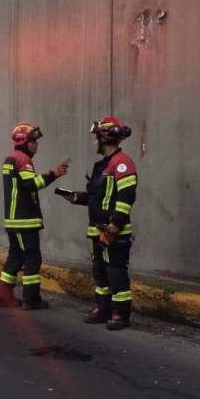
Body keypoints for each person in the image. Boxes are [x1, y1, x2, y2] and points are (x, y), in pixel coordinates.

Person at [61, 116, 137, 330]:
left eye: (96, 138)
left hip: (114, 231)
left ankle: (120, 315)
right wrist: (79, 198)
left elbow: (126, 196)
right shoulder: (103, 166)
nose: (95, 142)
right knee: (100, 272)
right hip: (97, 230)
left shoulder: (122, 164)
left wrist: (115, 224)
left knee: (116, 273)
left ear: (104, 138)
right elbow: (99, 198)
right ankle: (103, 309)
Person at [0, 122, 68, 310]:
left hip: (14, 219)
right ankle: (31, 299)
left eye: (36, 141)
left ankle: (3, 295)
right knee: (32, 257)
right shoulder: (23, 160)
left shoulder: (11, 158)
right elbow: (31, 184)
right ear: (23, 141)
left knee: (16, 256)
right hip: (24, 220)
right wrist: (53, 174)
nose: (36, 145)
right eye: (33, 141)